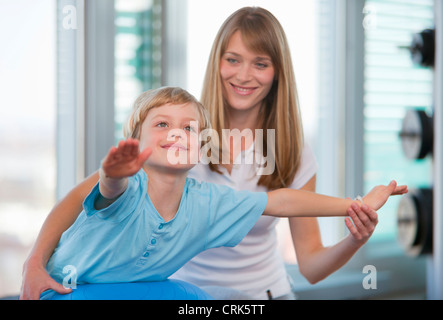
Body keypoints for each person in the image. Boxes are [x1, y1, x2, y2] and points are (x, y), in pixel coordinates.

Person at [20, 7, 391, 300]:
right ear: (217, 61)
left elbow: (305, 254)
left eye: (260, 63)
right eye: (233, 59)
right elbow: (92, 194)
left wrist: (355, 229)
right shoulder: (178, 138)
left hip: (266, 294)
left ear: (277, 73)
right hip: (181, 295)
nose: (244, 75)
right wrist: (34, 264)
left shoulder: (291, 151)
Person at [40, 86, 406, 300]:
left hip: (136, 290)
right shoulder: (126, 186)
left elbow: (281, 201)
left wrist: (356, 204)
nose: (176, 133)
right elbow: (109, 193)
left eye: (188, 128)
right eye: (162, 124)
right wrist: (112, 175)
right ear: (137, 139)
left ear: (202, 145)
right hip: (66, 289)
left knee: (192, 297)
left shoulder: (209, 201)